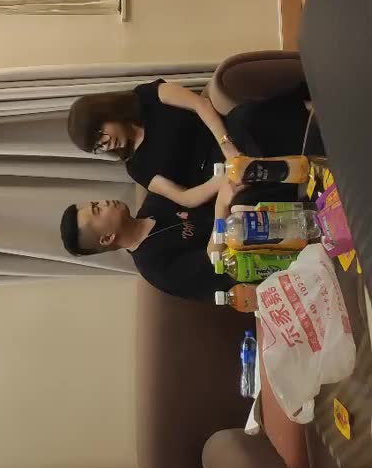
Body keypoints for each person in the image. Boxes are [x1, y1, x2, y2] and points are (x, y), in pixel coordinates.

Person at [67, 78, 310, 209]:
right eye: (98, 147)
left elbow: (200, 105)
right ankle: (313, 182)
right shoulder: (136, 166)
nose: (106, 145)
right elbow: (185, 197)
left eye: (100, 134)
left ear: (105, 112)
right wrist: (222, 180)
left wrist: (227, 147)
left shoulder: (145, 96)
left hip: (223, 135)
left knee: (247, 118)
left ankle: (312, 114)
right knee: (244, 189)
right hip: (216, 175)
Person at [60, 178, 271, 301]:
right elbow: (214, 261)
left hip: (253, 206)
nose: (104, 202)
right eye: (98, 210)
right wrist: (221, 208)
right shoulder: (155, 267)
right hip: (260, 258)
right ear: (107, 238)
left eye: (96, 202)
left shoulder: (154, 203)